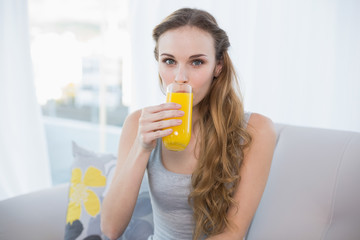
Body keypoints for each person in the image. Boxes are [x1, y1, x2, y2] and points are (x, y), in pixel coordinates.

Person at [101, 7, 276, 240]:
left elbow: (232, 233)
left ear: (218, 66)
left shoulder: (256, 130)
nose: (180, 77)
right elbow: (111, 229)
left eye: (196, 63)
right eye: (170, 61)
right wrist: (142, 147)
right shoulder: (138, 124)